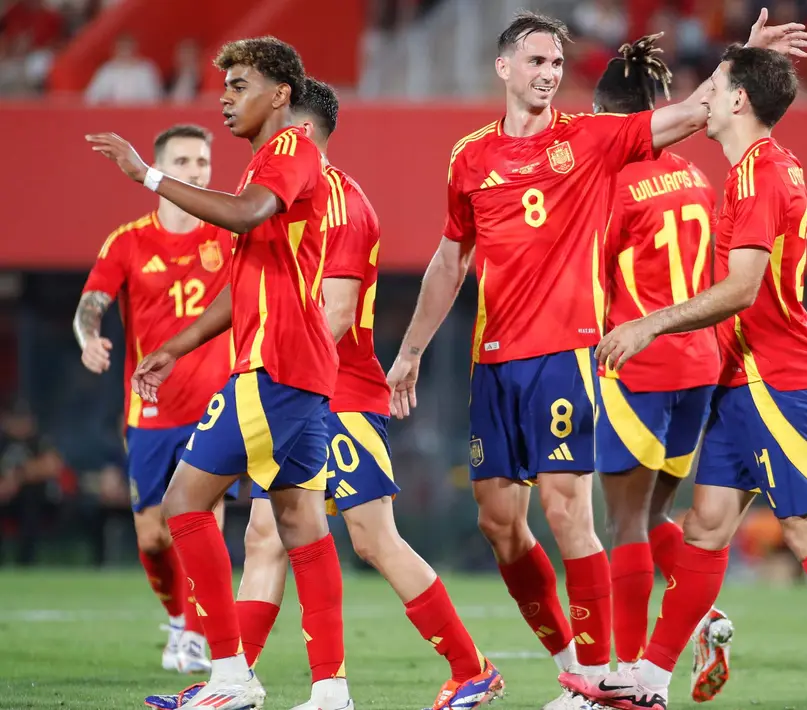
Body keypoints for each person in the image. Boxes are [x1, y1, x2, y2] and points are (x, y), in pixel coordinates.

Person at [383, 11, 807, 710]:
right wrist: (409, 352)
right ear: (504, 68)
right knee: (499, 523)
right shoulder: (469, 157)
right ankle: (570, 665)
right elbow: (448, 257)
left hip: (566, 357)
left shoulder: (587, 140)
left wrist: (742, 60)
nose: (548, 75)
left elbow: (688, 112)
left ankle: (599, 675)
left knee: (573, 515)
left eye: (556, 64)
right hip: (493, 362)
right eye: (536, 62)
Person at [563, 46, 807, 710]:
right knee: (707, 527)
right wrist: (744, 50)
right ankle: (650, 683)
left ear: (738, 101)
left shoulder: (756, 177)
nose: (700, 98)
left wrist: (649, 324)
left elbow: (743, 288)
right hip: (734, 379)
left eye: (714, 86)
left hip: (773, 375)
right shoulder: (756, 168)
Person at [87, 37, 350, 710]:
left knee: (182, 504)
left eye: (238, 85)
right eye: (225, 85)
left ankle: (230, 676)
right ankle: (330, 689)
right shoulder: (267, 163)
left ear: (280, 94)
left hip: (275, 365)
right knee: (299, 522)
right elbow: (243, 284)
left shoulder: (288, 149)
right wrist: (177, 344)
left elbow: (246, 214)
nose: (226, 97)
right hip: (297, 368)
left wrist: (148, 175)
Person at [236, 77, 503, 710]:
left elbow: (334, 315)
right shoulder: (286, 198)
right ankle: (241, 679)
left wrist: (276, 381)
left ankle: (468, 670)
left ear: (294, 126)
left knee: (372, 538)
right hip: (304, 387)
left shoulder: (340, 203)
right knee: (265, 535)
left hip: (333, 391)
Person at [591, 36, 732, 703]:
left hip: (638, 362)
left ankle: (627, 671)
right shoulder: (693, 176)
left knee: (623, 522)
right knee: (653, 517)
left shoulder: (612, 185)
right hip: (697, 362)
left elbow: (593, 284)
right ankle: (703, 615)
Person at [74, 123, 236, 676]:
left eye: (203, 162)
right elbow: (90, 305)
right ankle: (177, 617)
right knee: (152, 534)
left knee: (202, 523)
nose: (197, 171)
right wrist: (87, 338)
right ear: (163, 166)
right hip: (149, 409)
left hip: (216, 406)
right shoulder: (127, 242)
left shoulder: (226, 235)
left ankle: (195, 635)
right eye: (185, 161)